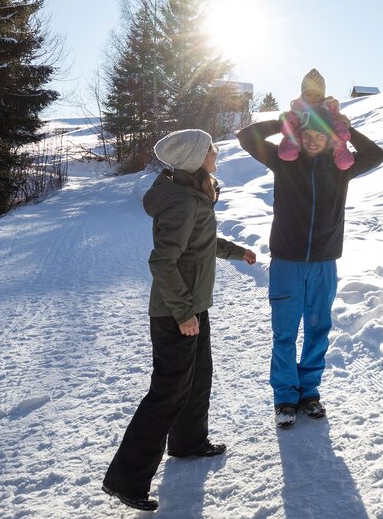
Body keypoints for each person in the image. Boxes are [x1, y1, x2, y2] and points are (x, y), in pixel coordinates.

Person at [103, 129, 255, 512]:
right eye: (211, 151)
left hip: (192, 305)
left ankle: (188, 442)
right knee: (167, 392)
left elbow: (200, 243)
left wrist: (237, 252)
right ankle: (126, 479)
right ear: (195, 158)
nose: (216, 155)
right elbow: (163, 260)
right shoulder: (182, 201)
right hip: (177, 312)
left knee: (199, 376)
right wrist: (184, 313)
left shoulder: (191, 193)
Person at [238, 97, 383, 428]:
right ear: (300, 136)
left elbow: (376, 156)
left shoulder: (340, 168)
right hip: (287, 262)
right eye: (307, 134)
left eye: (321, 135)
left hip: (324, 263)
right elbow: (246, 137)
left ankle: (309, 392)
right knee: (285, 333)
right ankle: (286, 398)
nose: (314, 140)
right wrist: (283, 123)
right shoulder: (284, 162)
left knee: (318, 329)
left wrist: (346, 130)